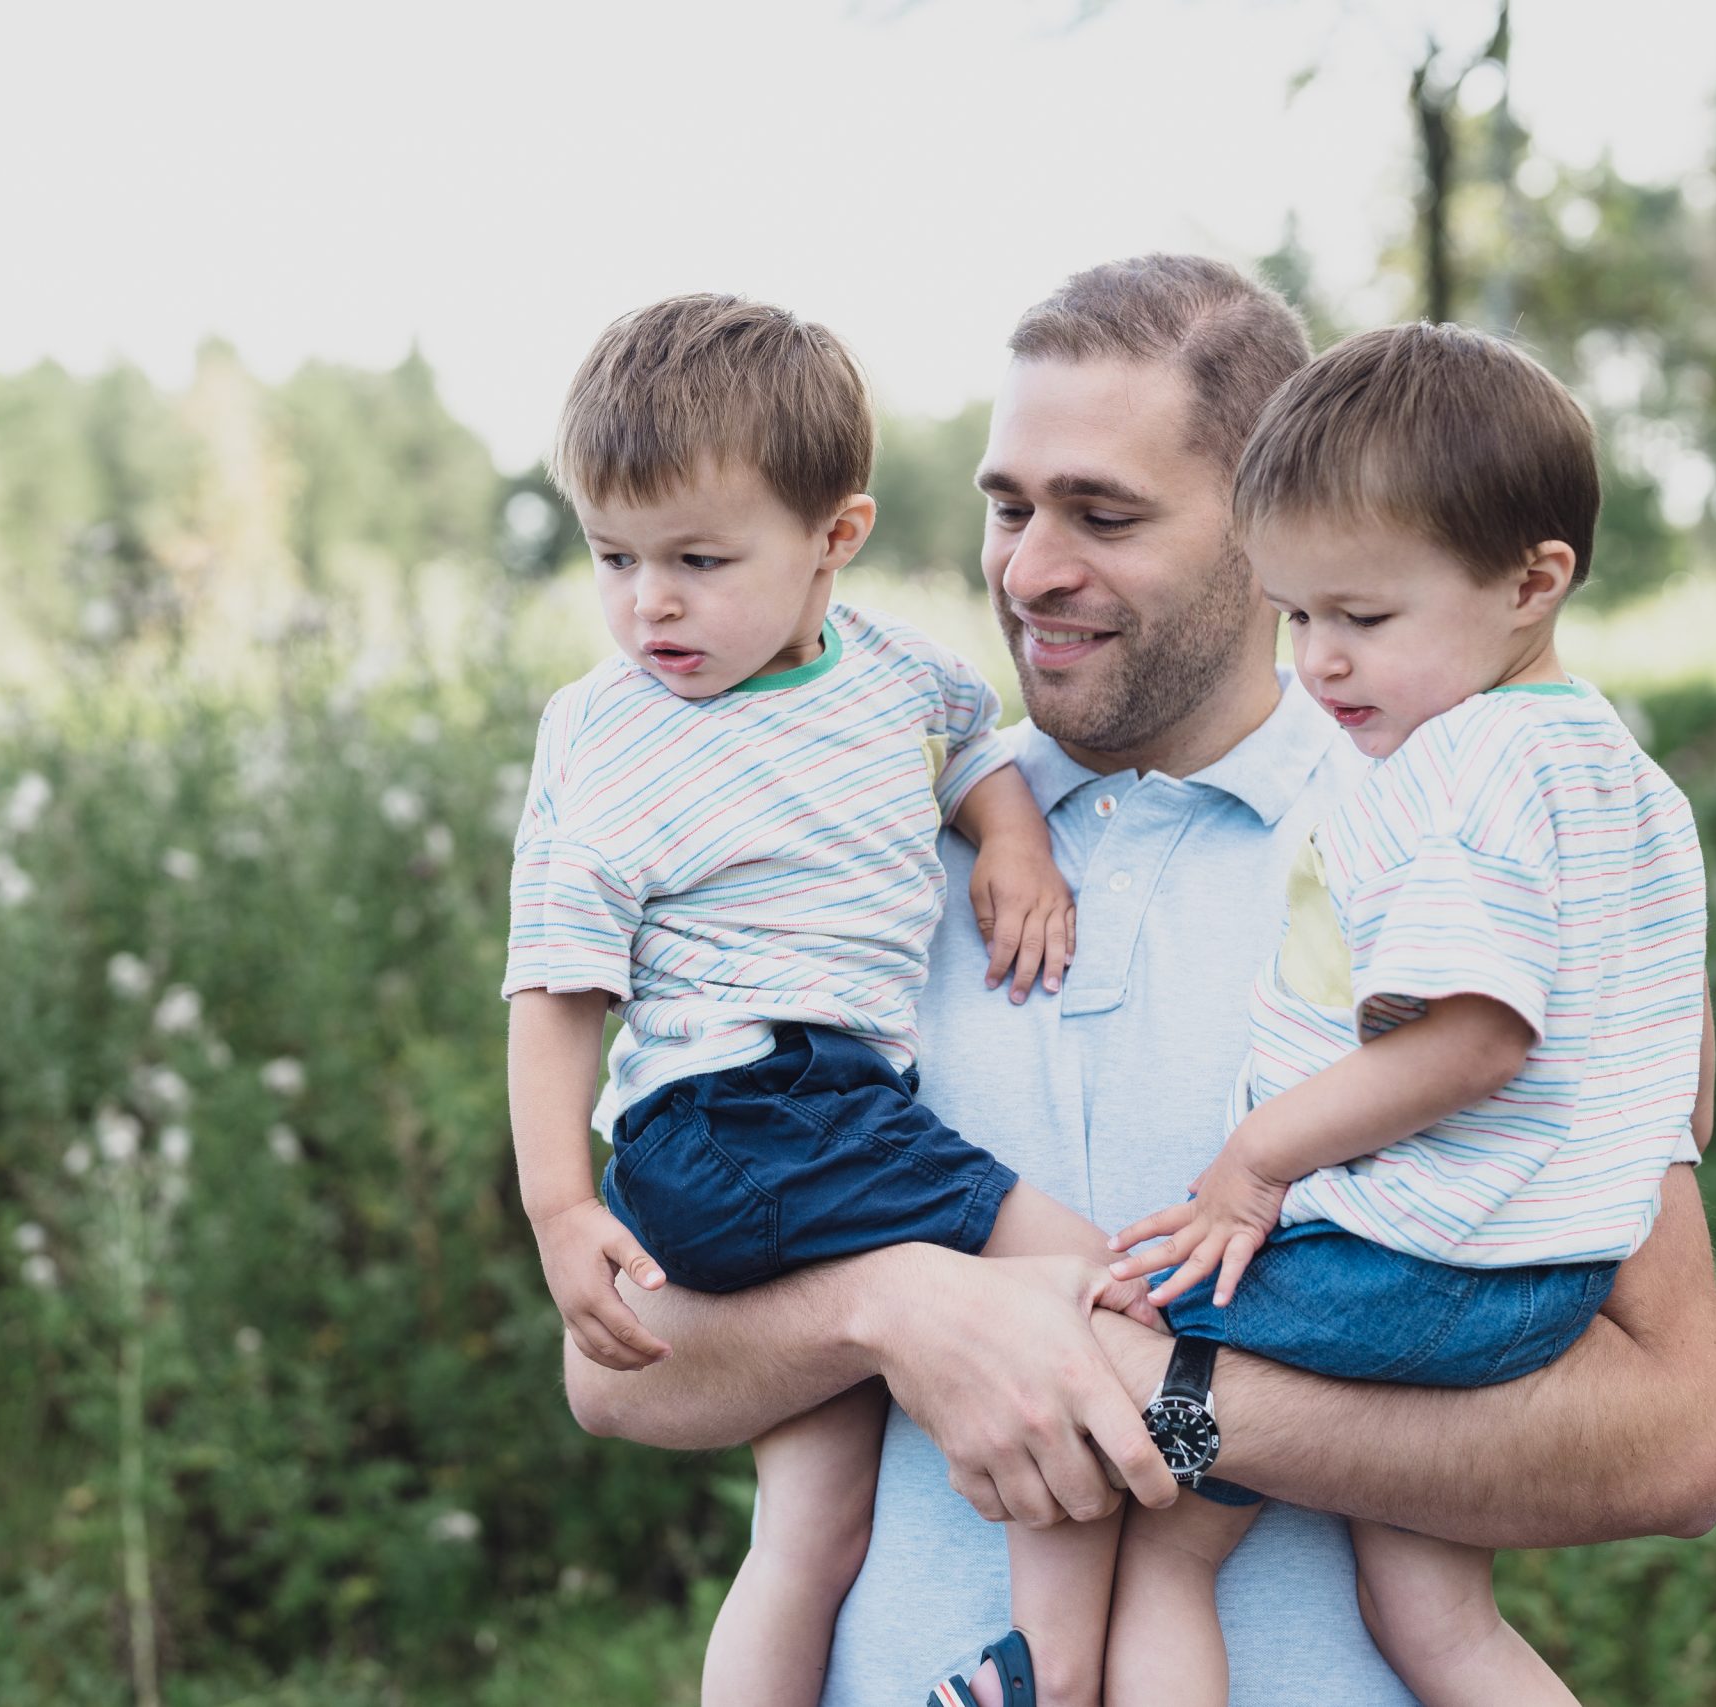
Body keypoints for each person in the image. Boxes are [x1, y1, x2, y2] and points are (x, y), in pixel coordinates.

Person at [561, 254, 1716, 1707]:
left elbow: (1675, 1442)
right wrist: (892, 1314)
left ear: (1267, 529)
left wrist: (1169, 1403)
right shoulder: (851, 854)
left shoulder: (1470, 840)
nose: (1029, 567)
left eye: (1102, 516)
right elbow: (615, 1369)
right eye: (1009, 508)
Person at [503, 292, 1160, 1707]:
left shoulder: (897, 676)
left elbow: (974, 751)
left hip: (817, 1112)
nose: (648, 605)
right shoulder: (606, 733)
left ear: (834, 541)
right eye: (612, 557)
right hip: (741, 1112)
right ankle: (1053, 1673)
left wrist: (1017, 840)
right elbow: (558, 989)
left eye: (697, 559)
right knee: (1085, 1289)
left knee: (810, 1520)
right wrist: (563, 1207)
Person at [1093, 321, 1709, 1707]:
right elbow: (1685, 1079)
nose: (1319, 664)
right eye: (1298, 616)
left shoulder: (1466, 764)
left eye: (1364, 619)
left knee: (1161, 1526)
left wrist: (1259, 1163)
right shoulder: (1622, 775)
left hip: (1421, 1261)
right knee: (1432, 1617)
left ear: (1532, 581)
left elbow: (1481, 1037)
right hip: (1541, 1265)